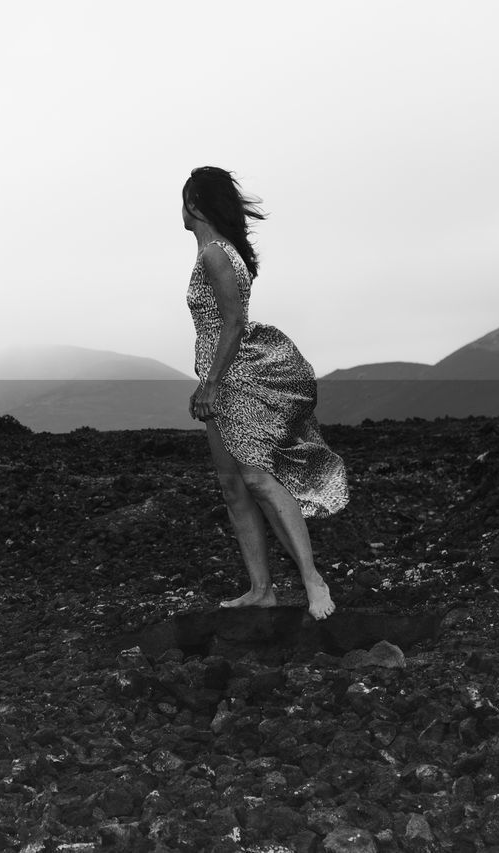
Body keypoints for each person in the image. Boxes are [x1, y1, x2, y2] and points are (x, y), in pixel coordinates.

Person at [183, 166, 349, 620]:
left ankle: (313, 581)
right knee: (232, 487)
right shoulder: (218, 252)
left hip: (233, 378)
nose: (179, 209)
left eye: (184, 199)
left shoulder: (216, 254)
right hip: (218, 375)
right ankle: (261, 589)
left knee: (257, 479)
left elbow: (234, 323)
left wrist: (211, 383)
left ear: (196, 204)